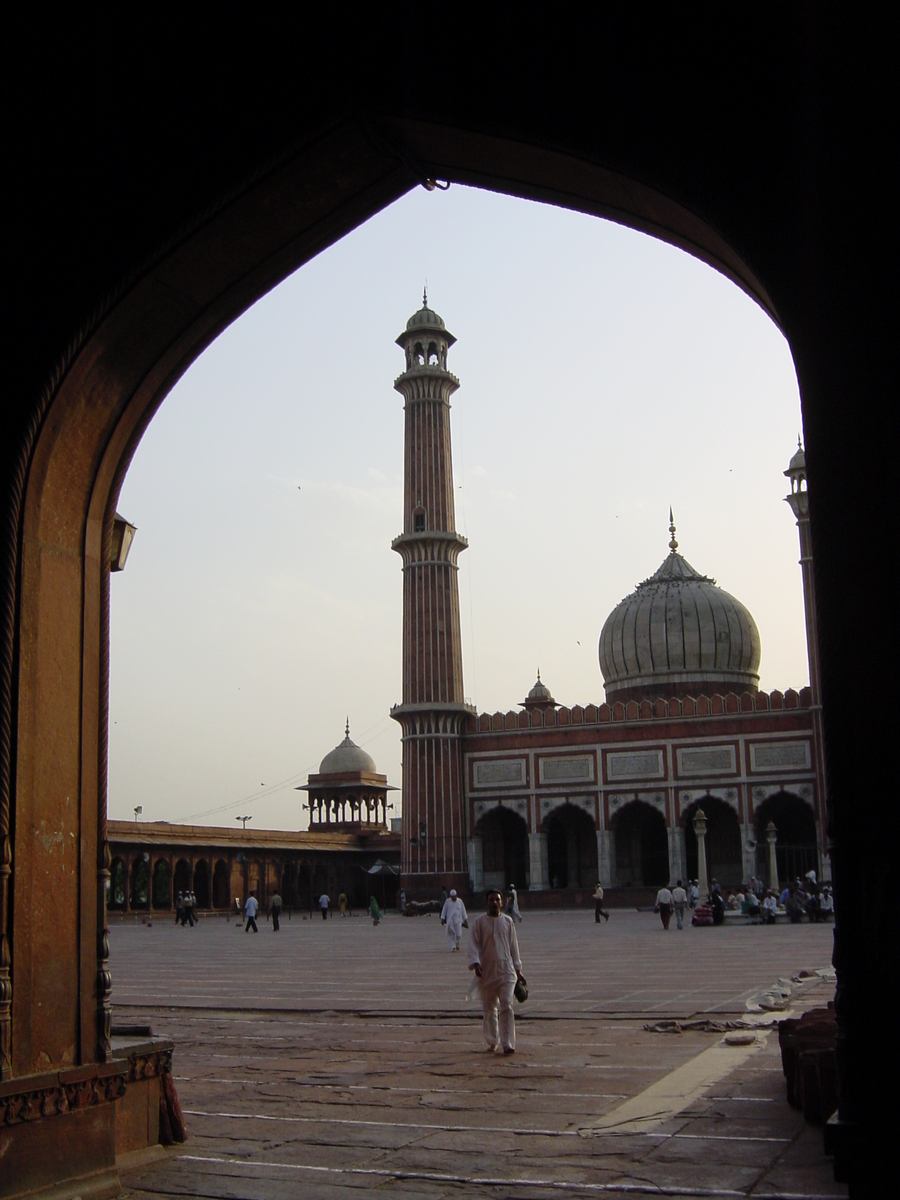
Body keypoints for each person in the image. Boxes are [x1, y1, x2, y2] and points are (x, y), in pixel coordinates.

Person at [468, 889, 524, 1055]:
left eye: (497, 900)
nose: (494, 902)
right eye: (491, 899)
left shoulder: (508, 922)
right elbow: (474, 945)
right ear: (487, 902)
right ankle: (493, 1040)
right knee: (490, 1008)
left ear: (501, 902)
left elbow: (514, 947)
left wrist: (518, 968)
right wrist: (476, 963)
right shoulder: (479, 923)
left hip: (506, 971)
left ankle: (508, 1043)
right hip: (487, 972)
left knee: (506, 1004)